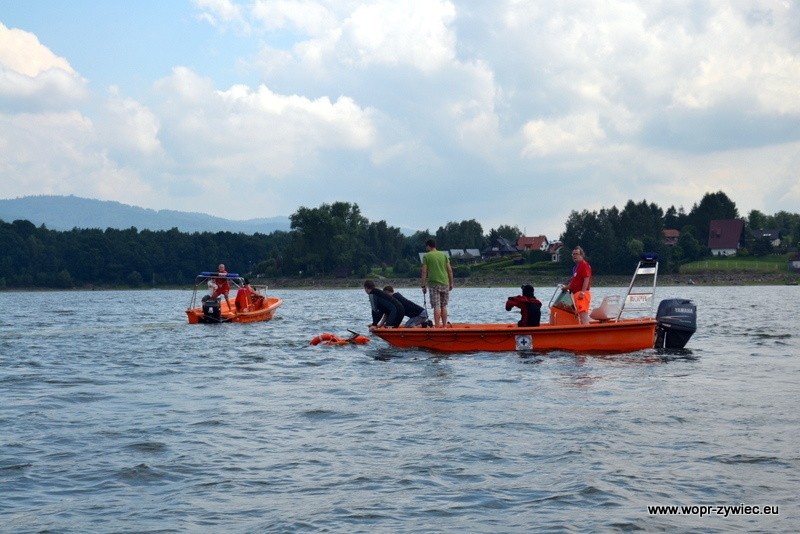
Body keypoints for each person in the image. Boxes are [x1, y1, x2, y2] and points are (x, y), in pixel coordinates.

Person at [421, 239, 454, 327]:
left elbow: (424, 272)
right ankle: (444, 326)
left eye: (426, 246)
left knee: (436, 305)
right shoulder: (444, 255)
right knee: (444, 305)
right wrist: (451, 283)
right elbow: (450, 271)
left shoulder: (426, 256)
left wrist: (423, 285)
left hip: (434, 284)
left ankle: (437, 327)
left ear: (428, 246)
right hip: (445, 283)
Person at [567, 246, 592, 324]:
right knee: (580, 317)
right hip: (576, 294)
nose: (574, 256)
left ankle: (588, 334)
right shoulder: (576, 268)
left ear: (582, 255)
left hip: (582, 295)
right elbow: (574, 281)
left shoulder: (584, 265)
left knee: (583, 317)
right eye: (573, 254)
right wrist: (566, 287)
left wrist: (583, 292)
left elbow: (586, 278)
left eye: (577, 254)